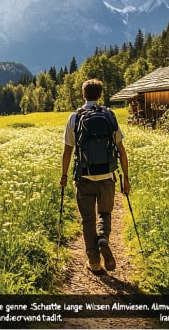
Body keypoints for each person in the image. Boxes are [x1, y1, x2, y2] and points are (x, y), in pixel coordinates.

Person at [61, 78, 130, 273]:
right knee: (105, 214)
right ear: (100, 95)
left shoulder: (75, 118)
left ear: (84, 95)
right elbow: (121, 151)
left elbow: (67, 151)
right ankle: (103, 238)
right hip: (107, 176)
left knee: (87, 219)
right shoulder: (109, 115)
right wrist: (125, 178)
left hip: (84, 177)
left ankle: (93, 262)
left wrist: (64, 176)